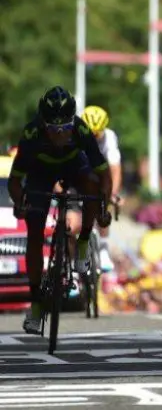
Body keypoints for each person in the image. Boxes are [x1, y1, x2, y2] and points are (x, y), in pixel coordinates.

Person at [7, 86, 112, 334]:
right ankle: (36, 306)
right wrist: (20, 202)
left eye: (65, 128)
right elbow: (15, 180)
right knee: (34, 234)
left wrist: (103, 206)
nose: (60, 134)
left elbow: (104, 174)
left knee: (92, 186)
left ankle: (83, 242)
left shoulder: (81, 130)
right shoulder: (32, 134)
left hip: (74, 167)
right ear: (44, 125)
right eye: (53, 130)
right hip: (40, 174)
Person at [81, 106, 122, 272]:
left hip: (100, 173)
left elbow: (115, 170)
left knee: (103, 205)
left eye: (97, 134)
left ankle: (103, 248)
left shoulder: (109, 138)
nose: (94, 138)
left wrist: (113, 194)